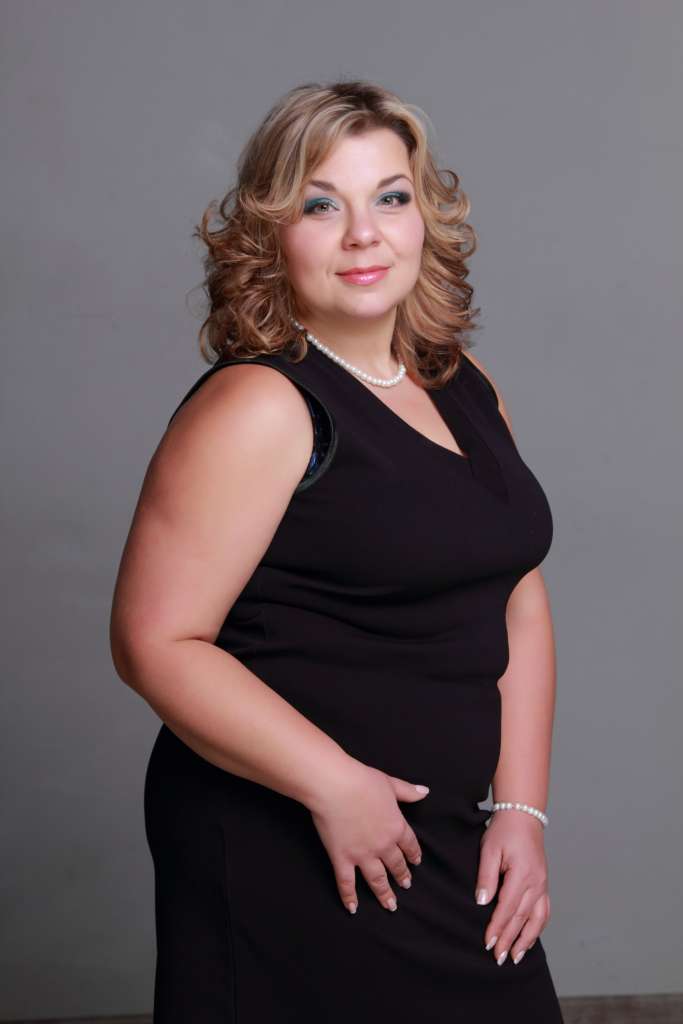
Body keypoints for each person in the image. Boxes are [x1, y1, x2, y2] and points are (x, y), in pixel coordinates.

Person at [110, 79, 564, 1022]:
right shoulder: (259, 404)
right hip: (290, 832)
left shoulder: (465, 385)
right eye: (321, 206)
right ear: (271, 233)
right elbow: (155, 643)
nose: (364, 234)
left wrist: (520, 811)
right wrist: (337, 787)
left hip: (439, 830)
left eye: (389, 197)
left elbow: (514, 598)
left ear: (425, 217)